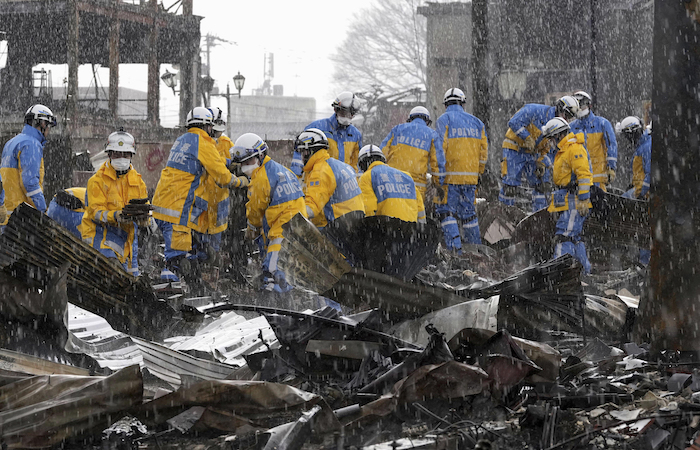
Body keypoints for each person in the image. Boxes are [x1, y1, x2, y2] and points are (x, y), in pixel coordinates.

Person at [151, 107, 249, 283]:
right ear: (208, 127)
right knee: (177, 259)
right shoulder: (203, 143)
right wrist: (241, 181)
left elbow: (211, 160)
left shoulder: (183, 140)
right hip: (177, 208)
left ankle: (183, 287)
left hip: (162, 204)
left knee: (183, 254)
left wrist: (229, 163)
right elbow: (222, 177)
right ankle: (172, 297)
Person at [232, 133, 306, 292]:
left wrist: (251, 230)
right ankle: (292, 309)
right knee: (287, 275)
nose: (245, 166)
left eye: (248, 161)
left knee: (273, 274)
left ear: (260, 155)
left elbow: (255, 211)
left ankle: (276, 313)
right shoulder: (283, 171)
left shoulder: (260, 178)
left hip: (282, 234)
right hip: (299, 233)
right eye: (242, 162)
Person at [81, 130, 149, 276]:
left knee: (132, 284)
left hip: (128, 242)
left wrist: (144, 220)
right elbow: (95, 212)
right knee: (114, 276)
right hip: (102, 237)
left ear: (131, 155)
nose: (121, 158)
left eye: (125, 154)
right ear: (109, 154)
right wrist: (117, 216)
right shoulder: (97, 181)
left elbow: (145, 210)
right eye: (117, 154)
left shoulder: (138, 182)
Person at [499, 96, 580, 212]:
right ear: (560, 109)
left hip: (533, 153)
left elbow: (552, 151)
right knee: (510, 187)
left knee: (542, 186)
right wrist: (526, 137)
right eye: (567, 115)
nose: (568, 120)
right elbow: (513, 122)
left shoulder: (560, 128)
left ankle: (538, 215)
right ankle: (503, 213)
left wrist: (542, 162)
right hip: (514, 149)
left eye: (570, 117)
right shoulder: (534, 110)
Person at [434, 88, 488, 252]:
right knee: (469, 215)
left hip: (450, 178)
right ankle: (476, 251)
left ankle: (455, 251)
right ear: (463, 103)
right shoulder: (477, 122)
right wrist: (479, 173)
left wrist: (438, 177)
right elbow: (483, 152)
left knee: (446, 213)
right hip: (470, 179)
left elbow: (440, 150)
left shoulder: (444, 120)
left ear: (445, 105)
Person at [542, 117, 593, 274]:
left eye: (551, 138)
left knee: (564, 236)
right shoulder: (565, 150)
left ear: (557, 135)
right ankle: (584, 272)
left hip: (574, 201)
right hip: (569, 200)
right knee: (574, 238)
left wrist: (584, 199)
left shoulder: (574, 149)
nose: (550, 142)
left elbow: (584, 175)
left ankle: (559, 273)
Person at [0, 104, 57, 227]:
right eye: (48, 126)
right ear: (42, 123)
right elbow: (29, 183)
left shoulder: (11, 142)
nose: (48, 131)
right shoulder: (31, 144)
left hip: (6, 215)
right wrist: (42, 211)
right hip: (20, 219)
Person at [380, 106, 442, 203]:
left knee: (391, 212)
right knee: (415, 215)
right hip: (416, 187)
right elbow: (437, 163)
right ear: (427, 121)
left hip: (392, 182)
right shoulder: (432, 135)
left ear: (410, 119)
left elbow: (382, 153)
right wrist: (438, 184)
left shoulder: (397, 129)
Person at [292, 92, 363, 176]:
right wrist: (296, 176)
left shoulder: (355, 134)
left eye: (350, 114)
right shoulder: (317, 127)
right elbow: (300, 153)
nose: (346, 117)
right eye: (344, 113)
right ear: (336, 109)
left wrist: (355, 181)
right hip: (317, 180)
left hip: (343, 183)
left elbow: (356, 164)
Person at [357, 144, 424, 223]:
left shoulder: (366, 178)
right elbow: (420, 209)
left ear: (362, 165)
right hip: (411, 230)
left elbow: (368, 210)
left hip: (386, 230)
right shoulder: (406, 176)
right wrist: (420, 229)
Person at [619, 115, 651, 266]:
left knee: (645, 229)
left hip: (647, 195)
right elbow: (641, 174)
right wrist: (633, 186)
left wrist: (640, 193)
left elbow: (650, 175)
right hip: (642, 191)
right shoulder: (642, 146)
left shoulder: (646, 147)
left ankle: (643, 263)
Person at [570, 91, 618, 190]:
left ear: (589, 105)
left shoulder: (602, 123)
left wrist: (611, 168)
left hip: (598, 177)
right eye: (577, 106)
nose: (579, 109)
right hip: (578, 178)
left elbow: (611, 145)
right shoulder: (572, 127)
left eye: (582, 105)